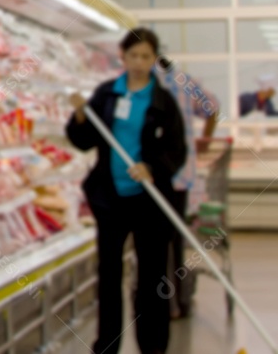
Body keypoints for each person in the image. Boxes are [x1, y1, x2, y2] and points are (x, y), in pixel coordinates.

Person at [66, 28, 186, 354]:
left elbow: (177, 149)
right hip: (110, 198)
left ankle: (152, 345)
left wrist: (152, 167)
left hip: (149, 200)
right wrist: (79, 114)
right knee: (109, 274)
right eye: (133, 55)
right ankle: (107, 344)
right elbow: (84, 140)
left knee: (151, 277)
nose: (138, 62)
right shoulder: (107, 94)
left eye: (146, 56)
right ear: (122, 56)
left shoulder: (163, 101)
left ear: (154, 60)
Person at [154, 55, 219, 319]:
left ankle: (164, 302)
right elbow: (213, 108)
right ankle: (176, 300)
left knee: (157, 240)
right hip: (182, 173)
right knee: (175, 239)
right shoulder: (187, 82)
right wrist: (206, 139)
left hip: (156, 173)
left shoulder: (148, 84)